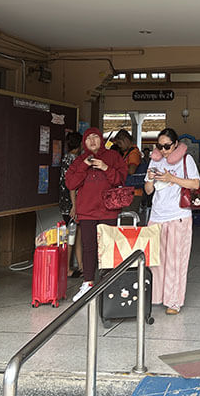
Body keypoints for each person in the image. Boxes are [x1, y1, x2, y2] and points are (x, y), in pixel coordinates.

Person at [65, 127, 128, 302]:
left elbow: (121, 179)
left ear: (101, 139)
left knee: (108, 247)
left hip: (109, 209)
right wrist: (85, 166)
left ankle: (108, 282)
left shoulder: (113, 157)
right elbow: (71, 183)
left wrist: (106, 167)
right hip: (86, 211)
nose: (92, 141)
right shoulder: (79, 160)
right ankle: (88, 283)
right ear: (84, 142)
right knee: (89, 247)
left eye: (95, 137)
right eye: (88, 139)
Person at [144, 128, 200, 315]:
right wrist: (150, 180)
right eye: (159, 146)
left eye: (167, 146)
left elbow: (195, 184)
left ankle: (174, 301)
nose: (163, 150)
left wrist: (172, 178)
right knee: (155, 260)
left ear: (175, 144)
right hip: (156, 216)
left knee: (176, 260)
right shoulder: (154, 160)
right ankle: (156, 296)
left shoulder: (186, 160)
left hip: (178, 215)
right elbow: (148, 191)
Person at [59, 131, 84, 278]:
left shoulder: (65, 158)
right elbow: (72, 186)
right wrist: (74, 206)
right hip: (71, 204)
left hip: (66, 202)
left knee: (76, 235)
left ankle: (80, 266)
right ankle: (67, 268)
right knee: (72, 236)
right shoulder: (74, 160)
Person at [112, 129, 143, 213]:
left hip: (133, 192)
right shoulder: (127, 153)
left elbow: (131, 170)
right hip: (129, 191)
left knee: (128, 218)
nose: (119, 146)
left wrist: (119, 169)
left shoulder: (133, 153)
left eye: (120, 143)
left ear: (125, 140)